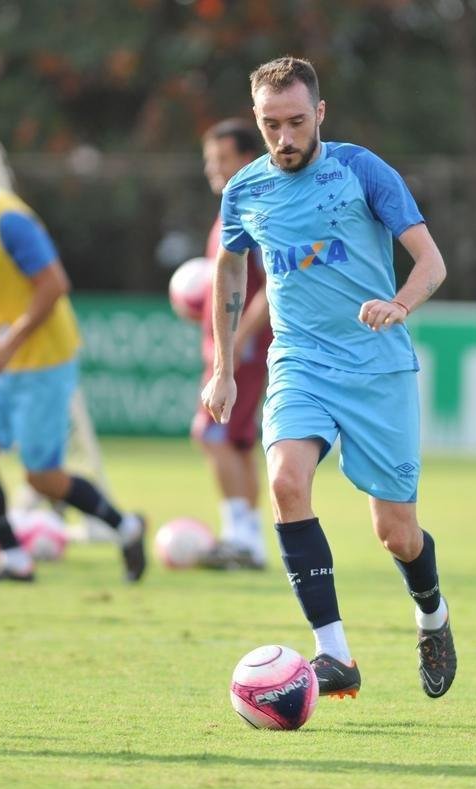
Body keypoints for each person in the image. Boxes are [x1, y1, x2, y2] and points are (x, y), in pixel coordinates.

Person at [201, 56, 457, 699]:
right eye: (270, 125)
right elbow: (230, 273)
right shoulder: (245, 190)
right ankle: (333, 654)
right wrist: (224, 365)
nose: (283, 139)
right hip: (300, 360)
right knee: (287, 482)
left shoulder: (361, 170)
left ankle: (432, 615)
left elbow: (432, 262)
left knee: (395, 533)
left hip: (376, 363)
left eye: (294, 122)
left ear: (318, 113)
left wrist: (399, 304)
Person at [0, 144, 146, 583]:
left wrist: (11, 344)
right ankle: (14, 558)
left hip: (42, 361)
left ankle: (126, 527)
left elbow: (53, 285)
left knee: (42, 477)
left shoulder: (8, 220)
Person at [192, 119, 273, 570]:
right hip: (232, 347)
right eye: (209, 160)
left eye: (221, 159)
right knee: (238, 441)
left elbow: (270, 284)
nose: (213, 168)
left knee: (210, 432)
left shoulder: (253, 207)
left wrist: (237, 336)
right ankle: (250, 540)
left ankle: (240, 538)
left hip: (240, 348)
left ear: (247, 158)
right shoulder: (233, 208)